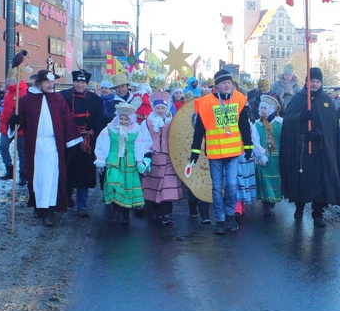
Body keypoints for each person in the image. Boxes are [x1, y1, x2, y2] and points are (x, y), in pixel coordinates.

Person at [279, 67, 340, 227]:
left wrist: (318, 133)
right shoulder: (298, 98)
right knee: (302, 181)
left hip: (320, 150)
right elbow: (288, 121)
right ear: (307, 81)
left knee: (321, 184)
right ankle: (299, 207)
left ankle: (318, 214)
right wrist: (301, 117)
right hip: (302, 150)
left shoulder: (325, 100)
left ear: (321, 83)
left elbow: (331, 126)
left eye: (317, 81)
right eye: (311, 81)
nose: (314, 84)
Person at [8, 70, 82, 227]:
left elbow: (67, 121)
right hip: (34, 147)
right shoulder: (27, 100)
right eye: (47, 82)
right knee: (36, 177)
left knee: (51, 177)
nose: (50, 85)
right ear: (39, 84)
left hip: (54, 146)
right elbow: (18, 121)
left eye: (52, 82)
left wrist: (72, 142)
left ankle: (49, 210)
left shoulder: (58, 99)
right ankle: (38, 206)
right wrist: (14, 121)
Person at [190, 68, 254, 235]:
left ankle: (230, 215)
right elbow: (199, 130)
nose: (227, 85)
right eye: (224, 83)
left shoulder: (239, 99)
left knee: (232, 186)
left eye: (229, 83)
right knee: (217, 188)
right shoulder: (205, 103)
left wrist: (248, 146)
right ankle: (219, 220)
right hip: (215, 153)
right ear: (217, 85)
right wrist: (195, 152)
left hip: (233, 152)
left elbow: (244, 125)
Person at [95, 103, 152, 224]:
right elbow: (102, 144)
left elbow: (139, 146)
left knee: (127, 188)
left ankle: (125, 214)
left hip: (129, 164)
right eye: (121, 118)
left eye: (126, 119)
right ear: (117, 118)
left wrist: (140, 161)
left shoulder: (136, 130)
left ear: (130, 119)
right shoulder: (110, 129)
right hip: (113, 162)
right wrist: (101, 160)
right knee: (113, 184)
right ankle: (116, 210)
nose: (123, 121)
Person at [60, 70, 106, 217]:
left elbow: (100, 121)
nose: (80, 84)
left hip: (86, 142)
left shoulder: (95, 100)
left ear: (87, 84)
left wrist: (95, 137)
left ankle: (82, 205)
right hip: (68, 140)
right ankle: (67, 198)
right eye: (78, 82)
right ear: (73, 82)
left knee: (83, 175)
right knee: (67, 171)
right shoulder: (63, 96)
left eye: (83, 82)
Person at [139, 92, 183, 225]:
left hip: (169, 158)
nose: (160, 110)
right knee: (153, 186)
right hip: (153, 158)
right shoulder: (147, 122)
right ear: (154, 108)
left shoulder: (173, 121)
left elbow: (178, 138)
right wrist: (145, 157)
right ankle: (154, 211)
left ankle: (167, 214)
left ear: (167, 108)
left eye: (163, 108)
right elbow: (143, 140)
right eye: (158, 108)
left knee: (167, 187)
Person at [251, 95, 283, 216]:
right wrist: (260, 155)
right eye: (261, 108)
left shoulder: (280, 123)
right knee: (264, 179)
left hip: (276, 158)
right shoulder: (256, 125)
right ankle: (266, 203)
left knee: (275, 180)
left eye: (265, 108)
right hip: (263, 158)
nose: (262, 110)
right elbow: (254, 141)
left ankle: (272, 199)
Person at [0, 77, 28, 184]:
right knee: (3, 146)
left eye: (9, 81)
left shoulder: (22, 91)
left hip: (19, 126)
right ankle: (9, 169)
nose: (6, 83)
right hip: (6, 125)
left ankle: (23, 174)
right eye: (6, 81)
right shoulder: (7, 92)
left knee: (21, 151)